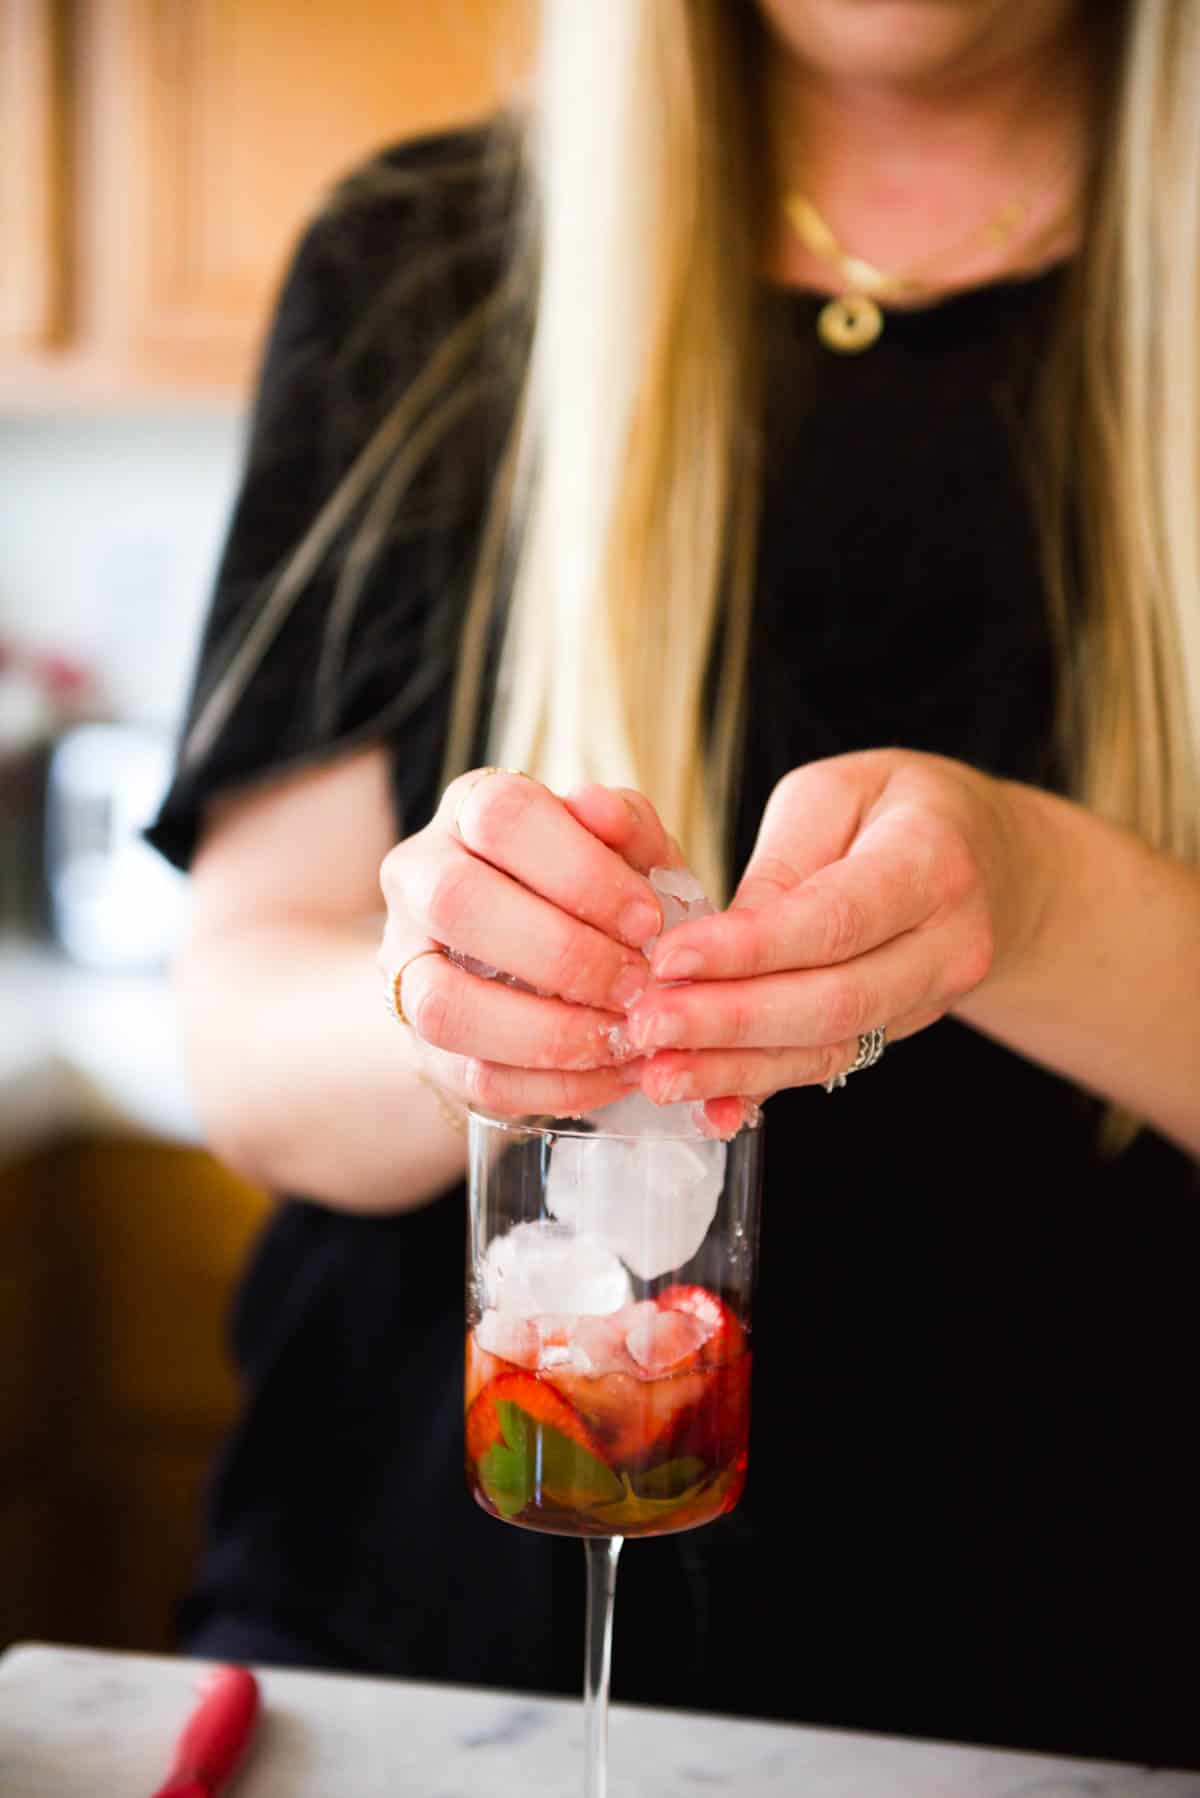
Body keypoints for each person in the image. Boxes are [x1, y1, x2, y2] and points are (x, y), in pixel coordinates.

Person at [146, 0, 1200, 1769]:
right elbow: (244, 1029)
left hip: (1086, 1680)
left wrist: (1035, 895)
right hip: (407, 1672)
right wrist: (444, 1003)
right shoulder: (418, 269)